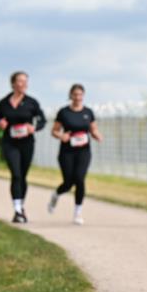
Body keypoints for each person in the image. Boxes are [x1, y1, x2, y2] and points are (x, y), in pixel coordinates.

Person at [48, 84, 103, 225]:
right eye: (75, 94)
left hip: (83, 151)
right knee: (68, 183)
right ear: (71, 96)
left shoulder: (88, 112)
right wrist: (61, 136)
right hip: (67, 152)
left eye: (80, 94)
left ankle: (78, 212)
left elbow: (93, 129)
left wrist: (97, 136)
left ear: (83, 96)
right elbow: (54, 131)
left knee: (79, 179)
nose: (78, 97)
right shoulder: (64, 112)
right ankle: (56, 195)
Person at [0, 71, 46, 223]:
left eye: (25, 81)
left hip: (27, 143)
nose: (24, 84)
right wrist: (1, 123)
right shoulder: (4, 103)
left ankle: (21, 206)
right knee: (16, 174)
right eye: (20, 81)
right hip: (10, 142)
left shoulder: (32, 102)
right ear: (13, 83)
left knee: (23, 176)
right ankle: (17, 210)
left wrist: (34, 128)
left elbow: (42, 120)